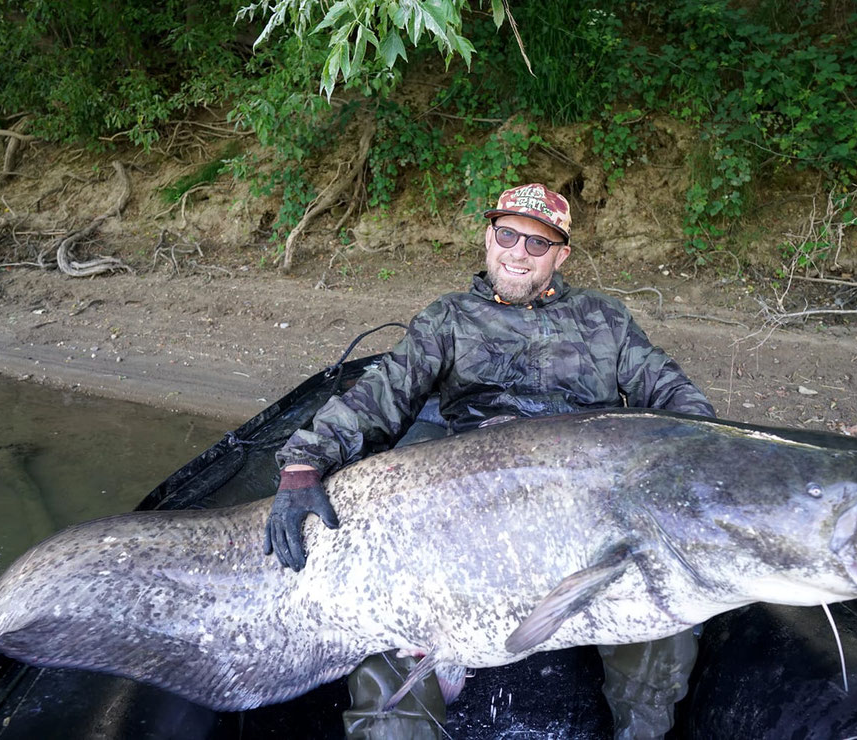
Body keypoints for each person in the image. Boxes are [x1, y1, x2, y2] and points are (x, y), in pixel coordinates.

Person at [265, 183, 715, 739]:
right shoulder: (447, 318)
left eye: (537, 243)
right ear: (488, 237)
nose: (517, 253)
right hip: (473, 504)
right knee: (388, 627)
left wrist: (689, 460)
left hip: (586, 505)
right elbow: (378, 398)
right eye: (507, 235)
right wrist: (304, 463)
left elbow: (682, 405)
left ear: (561, 255)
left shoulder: (606, 320)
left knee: (664, 610)